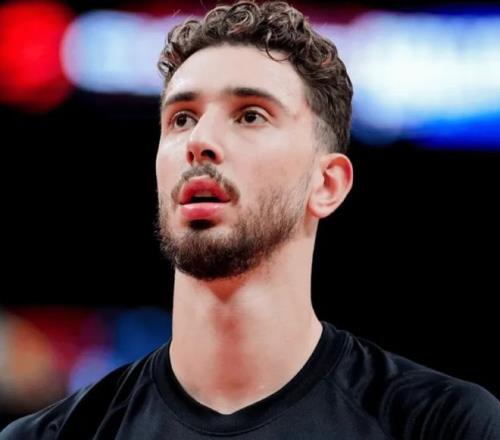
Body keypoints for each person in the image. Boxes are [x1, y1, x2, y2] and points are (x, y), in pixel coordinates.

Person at [2, 1, 499, 438]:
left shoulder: (442, 423)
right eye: (182, 118)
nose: (200, 140)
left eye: (250, 115)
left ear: (327, 184)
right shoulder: (51, 435)